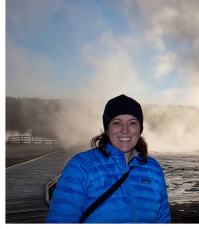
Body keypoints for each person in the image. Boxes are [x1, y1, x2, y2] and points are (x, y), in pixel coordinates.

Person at [46, 94, 171, 223]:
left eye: (132, 123)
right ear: (107, 129)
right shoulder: (81, 167)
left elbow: (163, 219)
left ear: (140, 129)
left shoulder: (153, 169)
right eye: (117, 123)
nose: (125, 130)